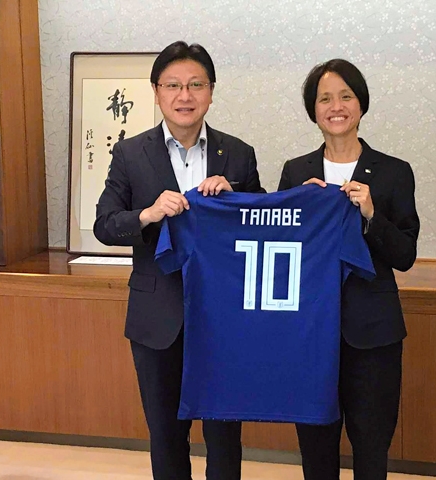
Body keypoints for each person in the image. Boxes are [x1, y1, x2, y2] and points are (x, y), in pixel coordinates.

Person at [94, 41, 265, 480]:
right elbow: (105, 224)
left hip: (223, 317)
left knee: (225, 433)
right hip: (158, 316)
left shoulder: (238, 154)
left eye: (195, 85)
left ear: (211, 91)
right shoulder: (131, 153)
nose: (184, 95)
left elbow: (265, 224)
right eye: (173, 85)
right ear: (156, 92)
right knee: (166, 432)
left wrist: (239, 199)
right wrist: (148, 214)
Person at [278, 59, 420, 480]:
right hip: (312, 333)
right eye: (324, 98)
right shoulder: (295, 172)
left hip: (373, 333)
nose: (335, 106)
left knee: (371, 446)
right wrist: (295, 211)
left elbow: (405, 255)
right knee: (316, 449)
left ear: (361, 105)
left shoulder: (394, 172)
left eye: (346, 96)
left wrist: (372, 214)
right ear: (313, 110)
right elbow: (283, 254)